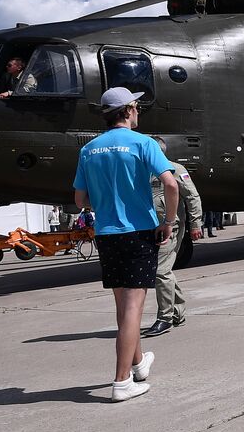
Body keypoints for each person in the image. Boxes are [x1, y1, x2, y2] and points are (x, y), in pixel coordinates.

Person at [72, 86, 178, 403]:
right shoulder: (142, 143)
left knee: (123, 306)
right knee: (133, 308)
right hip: (139, 231)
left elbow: (79, 199)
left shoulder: (88, 150)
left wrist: (105, 206)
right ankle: (121, 382)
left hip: (107, 233)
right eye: (137, 106)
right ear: (130, 109)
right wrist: (168, 221)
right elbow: (171, 183)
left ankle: (138, 363)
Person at [143, 152, 203, 338]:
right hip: (149, 227)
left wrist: (195, 223)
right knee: (164, 270)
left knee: (161, 271)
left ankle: (165, 318)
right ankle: (177, 313)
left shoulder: (175, 169)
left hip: (171, 226)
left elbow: (192, 196)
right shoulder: (143, 170)